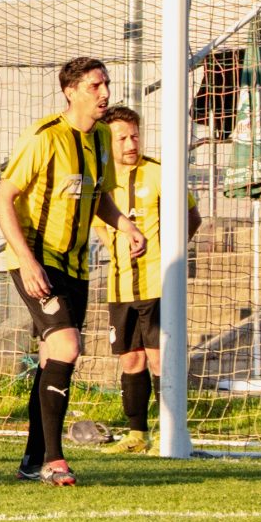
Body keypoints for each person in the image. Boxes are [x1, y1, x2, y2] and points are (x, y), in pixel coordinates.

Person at [0, 55, 144, 485]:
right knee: (67, 346)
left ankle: (32, 459)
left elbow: (100, 197)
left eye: (106, 84)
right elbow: (3, 199)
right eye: (95, 86)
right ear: (70, 91)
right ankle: (54, 460)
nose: (105, 93)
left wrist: (125, 225)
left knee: (54, 358)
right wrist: (27, 261)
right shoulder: (43, 137)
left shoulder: (102, 138)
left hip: (76, 265)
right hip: (37, 259)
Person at [99, 104, 198, 455]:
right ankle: (137, 435)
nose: (131, 144)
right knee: (131, 361)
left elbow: (192, 217)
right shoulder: (101, 179)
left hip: (157, 285)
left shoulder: (159, 173)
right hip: (119, 286)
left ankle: (170, 433)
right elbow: (99, 225)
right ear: (107, 142)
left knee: (159, 359)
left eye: (135, 136)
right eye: (122, 138)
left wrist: (169, 255)